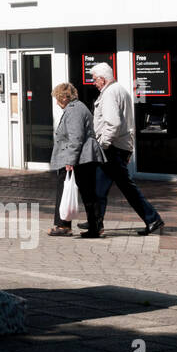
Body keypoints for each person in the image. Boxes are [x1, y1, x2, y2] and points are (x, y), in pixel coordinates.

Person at [90, 62, 164, 236]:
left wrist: (104, 144)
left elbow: (113, 123)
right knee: (101, 186)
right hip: (120, 147)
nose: (94, 83)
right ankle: (95, 221)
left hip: (112, 148)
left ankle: (152, 218)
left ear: (102, 78)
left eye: (94, 79)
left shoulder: (109, 94)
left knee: (123, 187)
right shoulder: (121, 90)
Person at [48, 82, 105, 237]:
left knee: (86, 192)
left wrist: (70, 161)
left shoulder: (74, 111)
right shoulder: (76, 108)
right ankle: (93, 226)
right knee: (87, 192)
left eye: (57, 98)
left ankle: (72, 226)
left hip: (81, 158)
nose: (57, 102)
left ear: (64, 98)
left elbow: (76, 138)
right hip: (83, 157)